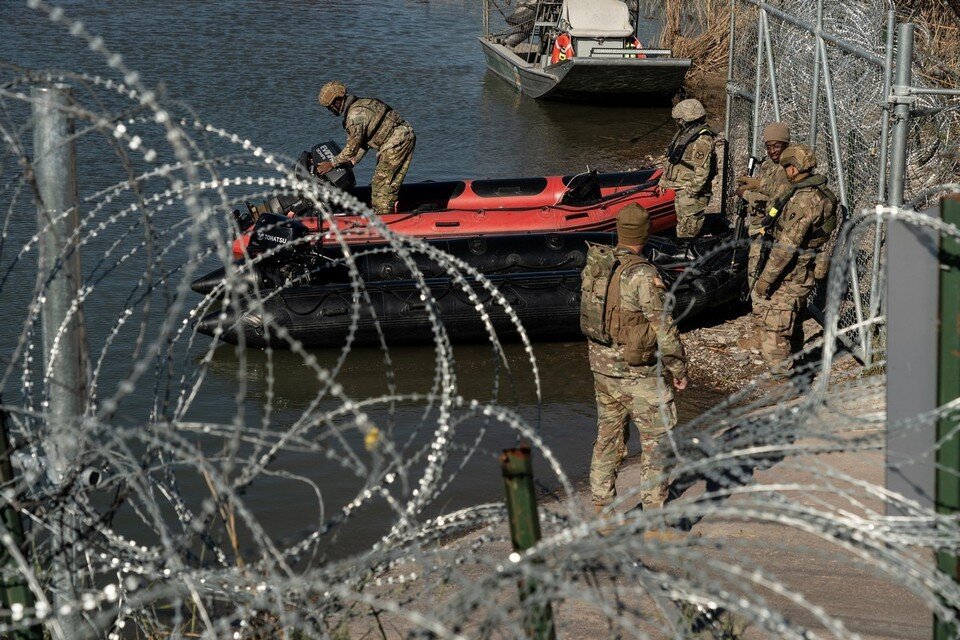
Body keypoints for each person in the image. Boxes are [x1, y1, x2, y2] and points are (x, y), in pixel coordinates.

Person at [580, 203, 689, 527]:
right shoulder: (643, 275)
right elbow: (663, 328)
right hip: (638, 374)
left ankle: (603, 511)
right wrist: (678, 369)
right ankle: (654, 518)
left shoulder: (598, 264)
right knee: (658, 442)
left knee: (608, 439)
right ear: (646, 232)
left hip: (602, 369)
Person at [751, 144, 838, 378]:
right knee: (793, 321)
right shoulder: (814, 191)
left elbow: (785, 248)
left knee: (774, 329)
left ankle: (783, 384)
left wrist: (765, 280)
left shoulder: (804, 200)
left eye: (787, 167)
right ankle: (797, 368)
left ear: (793, 168)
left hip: (793, 271)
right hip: (803, 268)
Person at [316, 81, 416, 217]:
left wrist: (332, 163)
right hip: (404, 136)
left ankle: (384, 220)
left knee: (380, 186)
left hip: (394, 143)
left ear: (337, 101)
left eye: (330, 107)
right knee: (389, 182)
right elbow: (366, 140)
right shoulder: (363, 103)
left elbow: (351, 148)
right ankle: (389, 213)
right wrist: (353, 161)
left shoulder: (353, 117)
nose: (330, 110)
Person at [735, 122, 793, 351]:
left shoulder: (788, 167)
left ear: (786, 144)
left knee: (757, 278)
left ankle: (762, 334)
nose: (772, 151)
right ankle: (762, 330)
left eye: (777, 146)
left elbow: (774, 199)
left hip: (771, 229)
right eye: (769, 146)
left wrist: (747, 194)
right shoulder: (770, 164)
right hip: (762, 226)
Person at [658, 98, 718, 240]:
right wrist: (664, 180)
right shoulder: (685, 134)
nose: (678, 122)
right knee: (682, 223)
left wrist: (693, 191)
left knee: (688, 229)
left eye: (680, 119)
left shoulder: (702, 139)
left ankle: (688, 252)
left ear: (686, 119)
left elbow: (702, 170)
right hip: (682, 187)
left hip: (690, 191)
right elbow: (673, 159)